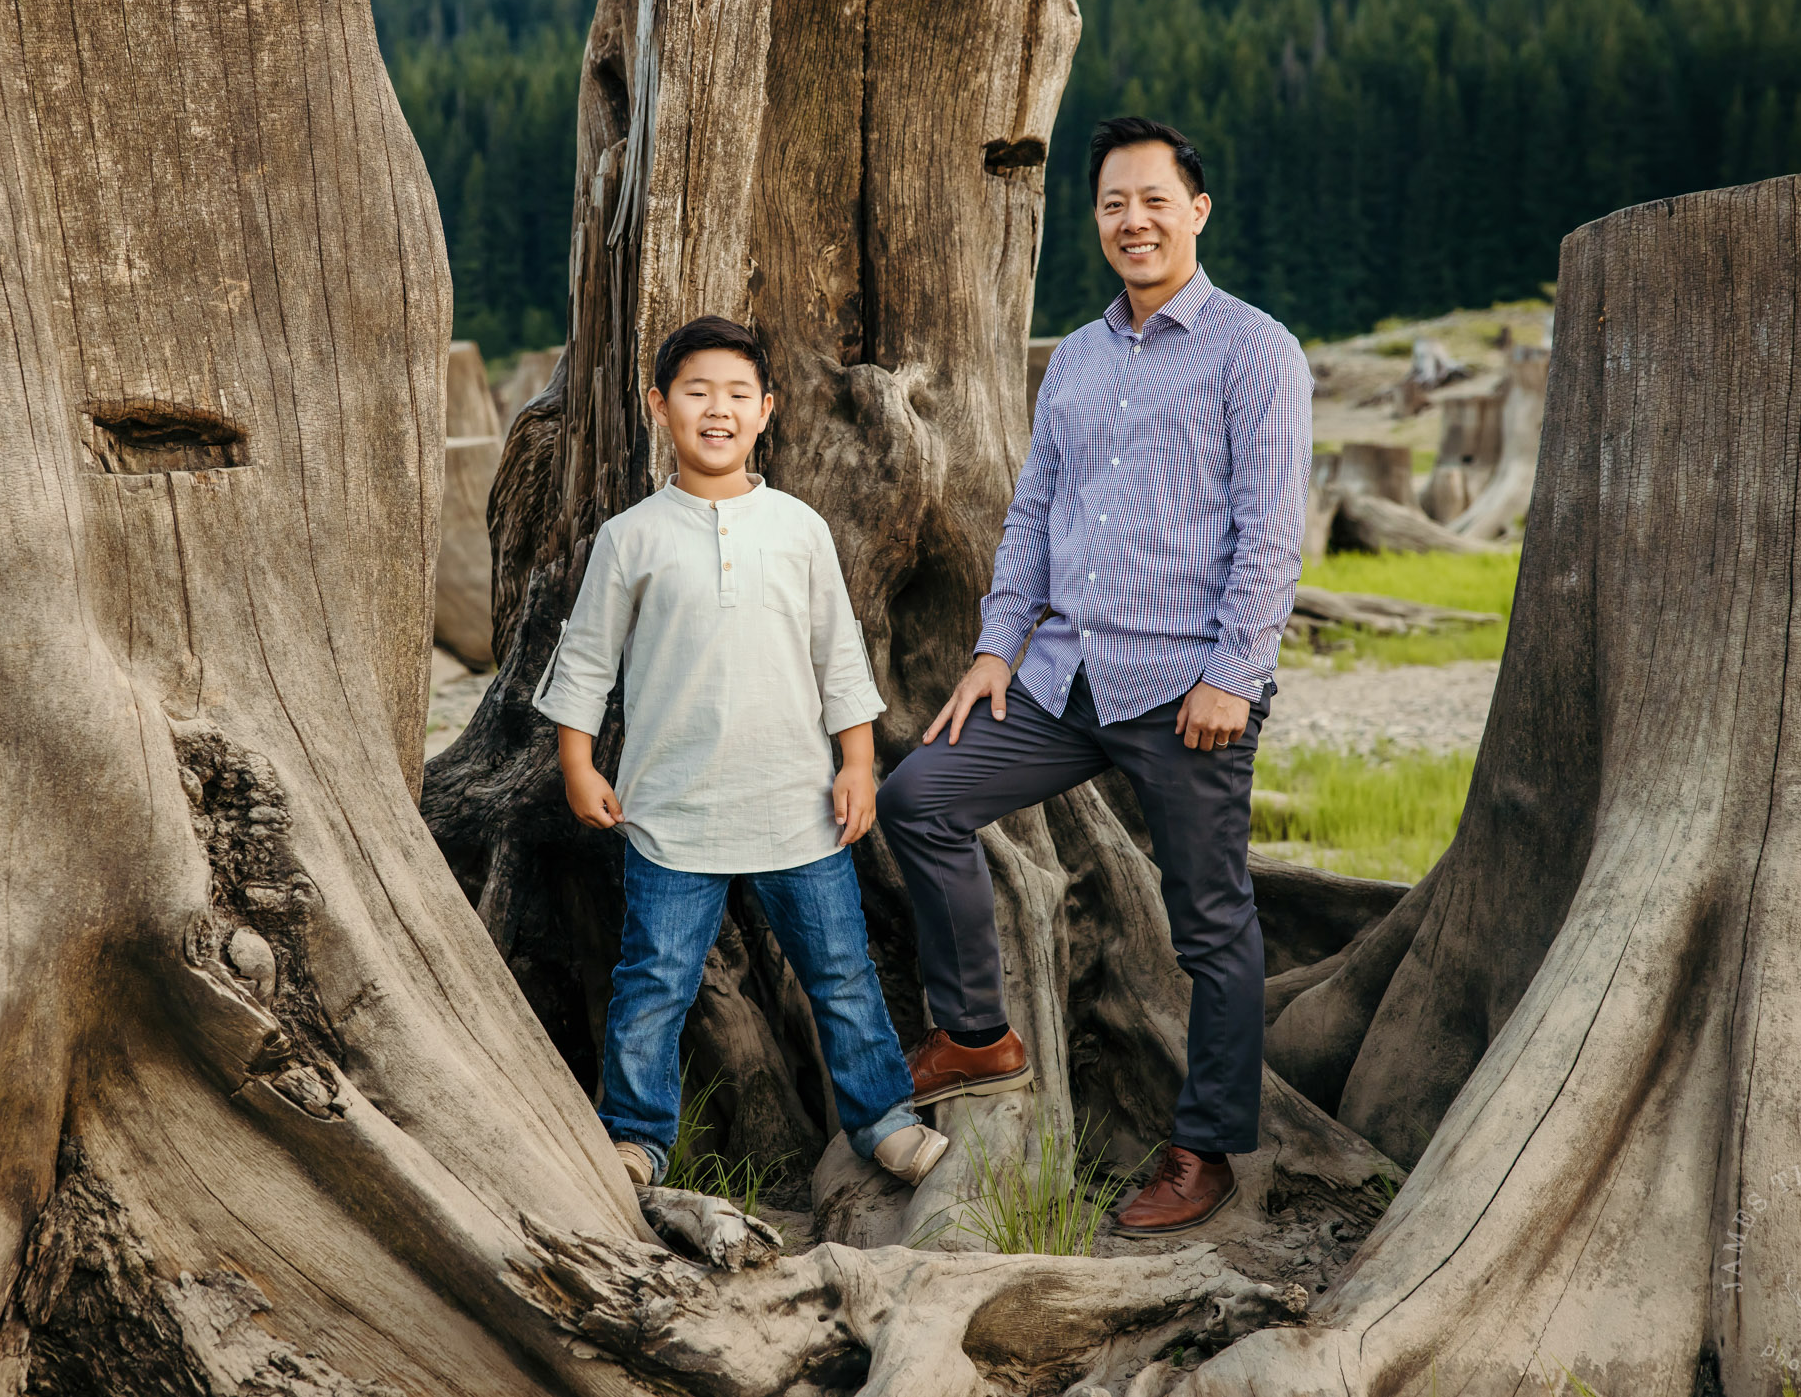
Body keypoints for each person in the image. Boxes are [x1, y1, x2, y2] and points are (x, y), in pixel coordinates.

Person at [877, 118, 1312, 1233]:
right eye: (1115, 202)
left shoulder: (1254, 349)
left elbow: (1271, 530)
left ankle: (1204, 1145)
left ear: (1197, 210)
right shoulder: (1074, 356)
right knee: (921, 796)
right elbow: (1033, 515)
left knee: (1210, 922)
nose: (1134, 220)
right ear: (1097, 217)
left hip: (1186, 691)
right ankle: (977, 1028)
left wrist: (1236, 673)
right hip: (1066, 678)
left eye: (1155, 199)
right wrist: (994, 649)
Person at [536, 315, 950, 1190]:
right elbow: (584, 660)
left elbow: (840, 654)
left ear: (766, 410)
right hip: (670, 808)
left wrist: (857, 761)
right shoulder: (633, 537)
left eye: (735, 395)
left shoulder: (797, 528)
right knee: (653, 982)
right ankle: (639, 1133)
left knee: (840, 971)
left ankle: (882, 1117)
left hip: (796, 802)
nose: (715, 411)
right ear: (660, 406)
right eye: (695, 392)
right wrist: (578, 761)